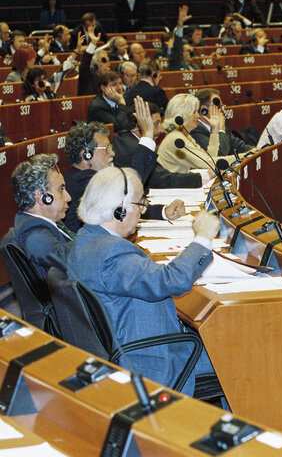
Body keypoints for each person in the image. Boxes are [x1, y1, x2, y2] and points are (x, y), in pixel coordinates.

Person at [67, 166, 221, 397]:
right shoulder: (112, 254)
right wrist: (202, 238)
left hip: (126, 345)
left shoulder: (85, 241)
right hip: (150, 361)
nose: (144, 210)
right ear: (121, 210)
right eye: (141, 203)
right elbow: (172, 280)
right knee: (237, 355)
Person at [114, 101, 206, 189]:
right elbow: (162, 180)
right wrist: (202, 177)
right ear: (140, 125)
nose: (161, 130)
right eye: (155, 124)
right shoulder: (131, 146)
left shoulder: (134, 141)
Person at [11, 153, 72, 278]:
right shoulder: (35, 236)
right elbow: (74, 262)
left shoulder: (43, 223)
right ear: (42, 197)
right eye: (61, 189)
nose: (68, 197)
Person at [157, 93, 236, 173]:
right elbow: (208, 162)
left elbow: (209, 158)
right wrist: (242, 157)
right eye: (194, 112)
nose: (198, 116)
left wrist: (214, 130)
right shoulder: (176, 139)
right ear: (182, 115)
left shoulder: (185, 136)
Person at [191, 88, 253, 157]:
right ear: (204, 109)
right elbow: (220, 154)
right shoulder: (195, 129)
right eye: (218, 106)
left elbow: (236, 144)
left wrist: (254, 151)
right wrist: (221, 130)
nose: (222, 109)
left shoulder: (221, 122)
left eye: (222, 105)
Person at [169, 5, 201, 71]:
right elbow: (176, 48)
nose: (191, 54)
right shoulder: (176, 64)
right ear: (182, 53)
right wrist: (180, 24)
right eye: (188, 51)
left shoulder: (196, 67)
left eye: (192, 52)